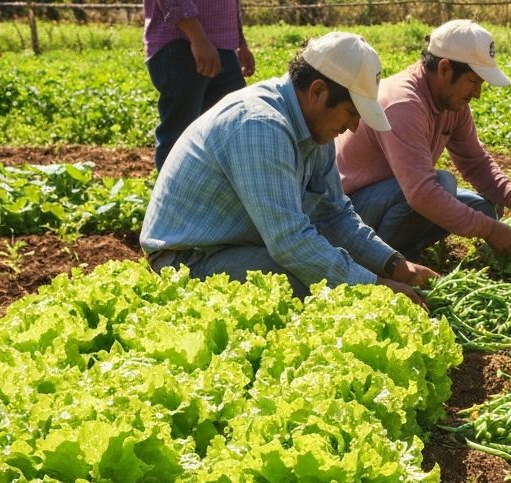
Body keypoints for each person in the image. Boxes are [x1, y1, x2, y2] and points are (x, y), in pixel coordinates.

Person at [140, 32, 436, 306]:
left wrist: (395, 265)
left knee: (321, 278)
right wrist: (372, 286)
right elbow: (289, 241)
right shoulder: (259, 125)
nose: (354, 126)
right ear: (318, 91)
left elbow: (334, 213)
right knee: (306, 288)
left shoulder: (316, 128)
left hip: (239, 244)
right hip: (189, 259)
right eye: (351, 112)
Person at [336, 19, 511, 261]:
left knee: (484, 208)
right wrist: (489, 230)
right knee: (442, 185)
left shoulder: (452, 103)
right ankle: (382, 257)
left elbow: (475, 161)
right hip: (348, 212)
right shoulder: (403, 104)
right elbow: (420, 193)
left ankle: (407, 246)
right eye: (474, 81)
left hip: (394, 197)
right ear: (445, 69)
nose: (477, 93)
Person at [143, 0, 256, 170]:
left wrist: (240, 42)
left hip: (224, 45)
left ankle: (212, 195)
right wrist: (197, 37)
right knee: (180, 133)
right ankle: (171, 195)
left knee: (232, 129)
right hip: (179, 41)